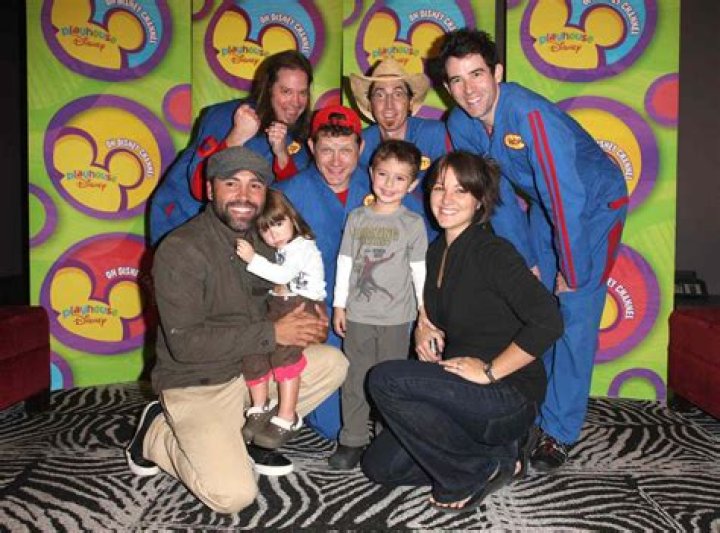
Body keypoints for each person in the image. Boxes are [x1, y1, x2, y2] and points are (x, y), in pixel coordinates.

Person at [434, 28, 628, 470]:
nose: (469, 89)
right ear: (447, 86)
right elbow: (495, 196)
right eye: (457, 80)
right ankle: (536, 406)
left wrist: (571, 270)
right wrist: (527, 262)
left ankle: (559, 431)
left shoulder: (530, 116)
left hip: (593, 207)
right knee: (535, 302)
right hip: (545, 204)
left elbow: (567, 198)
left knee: (574, 310)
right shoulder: (459, 124)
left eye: (477, 74)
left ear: (497, 72)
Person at [125, 146, 347, 514]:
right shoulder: (181, 249)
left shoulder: (267, 242)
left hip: (251, 369)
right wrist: (274, 333)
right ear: (209, 190)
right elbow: (185, 345)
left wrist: (309, 319)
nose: (244, 196)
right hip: (199, 383)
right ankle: (155, 432)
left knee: (332, 363)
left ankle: (248, 433)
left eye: (255, 186)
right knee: (232, 496)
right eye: (231, 183)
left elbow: (286, 299)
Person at [361, 151, 563, 514]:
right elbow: (439, 311)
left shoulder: (492, 252)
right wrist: (423, 328)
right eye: (439, 188)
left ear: (480, 199)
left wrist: (490, 372)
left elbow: (549, 320)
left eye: (460, 190)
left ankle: (468, 473)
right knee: (379, 467)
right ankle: (500, 457)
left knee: (384, 379)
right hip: (461, 393)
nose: (446, 199)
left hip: (507, 395)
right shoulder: (437, 251)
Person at [275, 104, 426, 439]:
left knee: (386, 391)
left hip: (380, 312)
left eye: (345, 150)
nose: (336, 161)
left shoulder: (383, 185)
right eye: (326, 149)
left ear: (361, 148)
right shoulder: (286, 195)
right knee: (334, 424)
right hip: (316, 318)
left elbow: (421, 249)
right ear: (311, 147)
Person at [329, 140, 428, 469]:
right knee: (355, 379)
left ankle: (388, 440)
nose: (389, 184)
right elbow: (345, 263)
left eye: (400, 178)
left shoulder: (412, 223)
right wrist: (339, 305)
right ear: (371, 173)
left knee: (389, 383)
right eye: (383, 174)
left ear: (412, 184)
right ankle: (352, 439)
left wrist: (424, 311)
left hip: (396, 319)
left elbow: (419, 271)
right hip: (358, 315)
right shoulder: (357, 218)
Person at [149, 50, 314, 245]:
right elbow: (200, 187)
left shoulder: (300, 139)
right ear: (269, 88)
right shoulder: (229, 116)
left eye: (302, 93)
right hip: (183, 225)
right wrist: (236, 136)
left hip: (242, 237)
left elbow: (290, 201)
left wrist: (282, 156)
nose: (296, 102)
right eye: (286, 92)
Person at [235, 189, 326, 449]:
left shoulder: (302, 245)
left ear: (292, 219)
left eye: (277, 224)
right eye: (265, 229)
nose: (272, 234)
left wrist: (252, 258)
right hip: (279, 303)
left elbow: (282, 275)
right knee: (255, 347)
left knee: (284, 353)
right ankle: (260, 407)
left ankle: (287, 416)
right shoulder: (281, 247)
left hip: (303, 305)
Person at [349, 57, 450, 230]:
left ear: (410, 102)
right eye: (380, 95)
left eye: (398, 94)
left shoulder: (434, 135)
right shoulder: (360, 145)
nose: (389, 105)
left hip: (434, 236)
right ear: (370, 104)